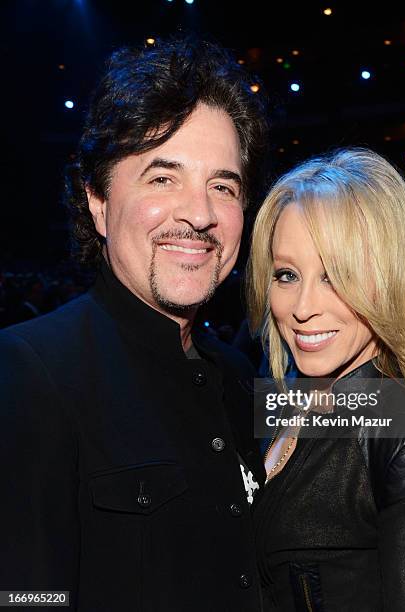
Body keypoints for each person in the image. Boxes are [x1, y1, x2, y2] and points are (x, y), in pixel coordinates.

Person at [0, 36, 267, 611]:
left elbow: (379, 414)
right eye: (162, 177)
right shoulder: (29, 371)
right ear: (97, 200)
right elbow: (24, 595)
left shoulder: (240, 374)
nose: (199, 214)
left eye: (222, 185)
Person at [246, 147, 405, 611]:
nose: (303, 307)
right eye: (287, 274)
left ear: (390, 280)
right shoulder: (281, 406)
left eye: (336, 276)